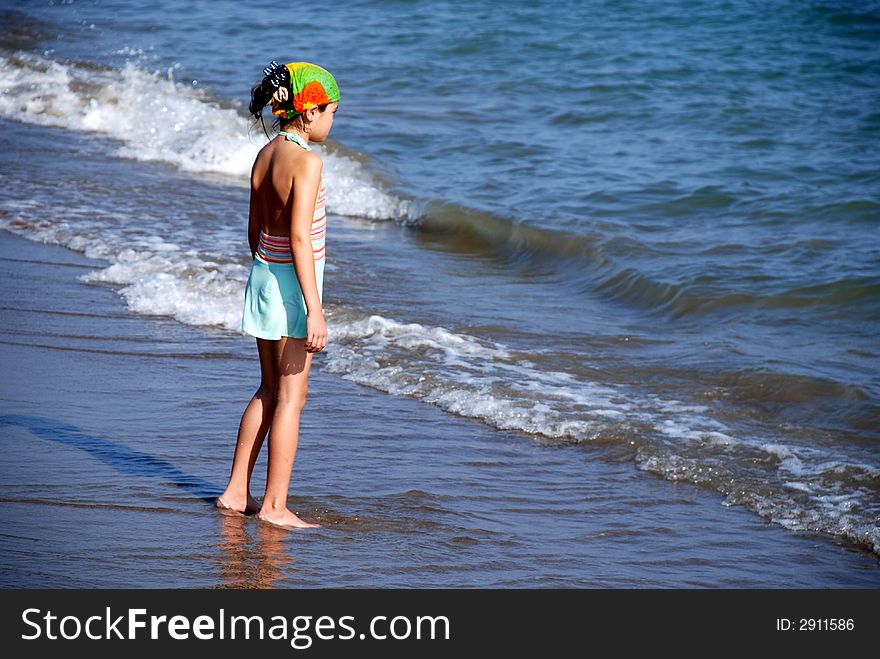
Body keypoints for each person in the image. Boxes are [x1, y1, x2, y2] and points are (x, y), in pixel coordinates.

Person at [216, 60, 340, 529]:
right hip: (293, 288)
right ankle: (274, 506)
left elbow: (255, 231)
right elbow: (300, 238)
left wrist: (267, 276)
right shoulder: (307, 162)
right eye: (331, 112)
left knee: (268, 388)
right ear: (308, 112)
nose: (332, 121)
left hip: (263, 277)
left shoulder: (265, 155)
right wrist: (315, 310)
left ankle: (235, 492)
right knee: (293, 397)